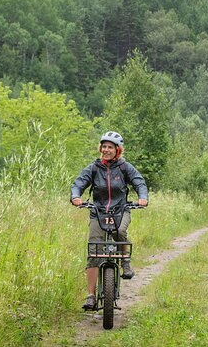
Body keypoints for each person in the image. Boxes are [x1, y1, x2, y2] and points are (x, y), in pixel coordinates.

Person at [70, 131, 148, 310]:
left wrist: (143, 197)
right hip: (98, 211)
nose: (106, 150)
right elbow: (79, 183)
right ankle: (90, 296)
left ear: (117, 150)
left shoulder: (124, 168)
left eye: (110, 147)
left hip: (121, 210)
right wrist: (76, 196)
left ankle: (125, 262)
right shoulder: (94, 168)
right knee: (94, 249)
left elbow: (139, 182)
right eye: (103, 147)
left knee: (120, 231)